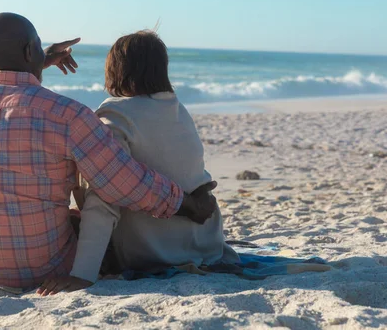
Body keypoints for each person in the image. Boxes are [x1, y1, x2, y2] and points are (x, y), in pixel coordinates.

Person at [0, 13, 217, 290]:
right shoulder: (69, 115)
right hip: (44, 269)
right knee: (90, 182)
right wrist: (188, 204)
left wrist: (34, 63)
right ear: (28, 51)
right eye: (36, 46)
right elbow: (125, 183)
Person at [38, 31, 239, 295]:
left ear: (116, 69)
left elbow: (104, 196)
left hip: (155, 251)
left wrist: (83, 275)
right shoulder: (178, 109)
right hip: (205, 244)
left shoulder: (117, 115)